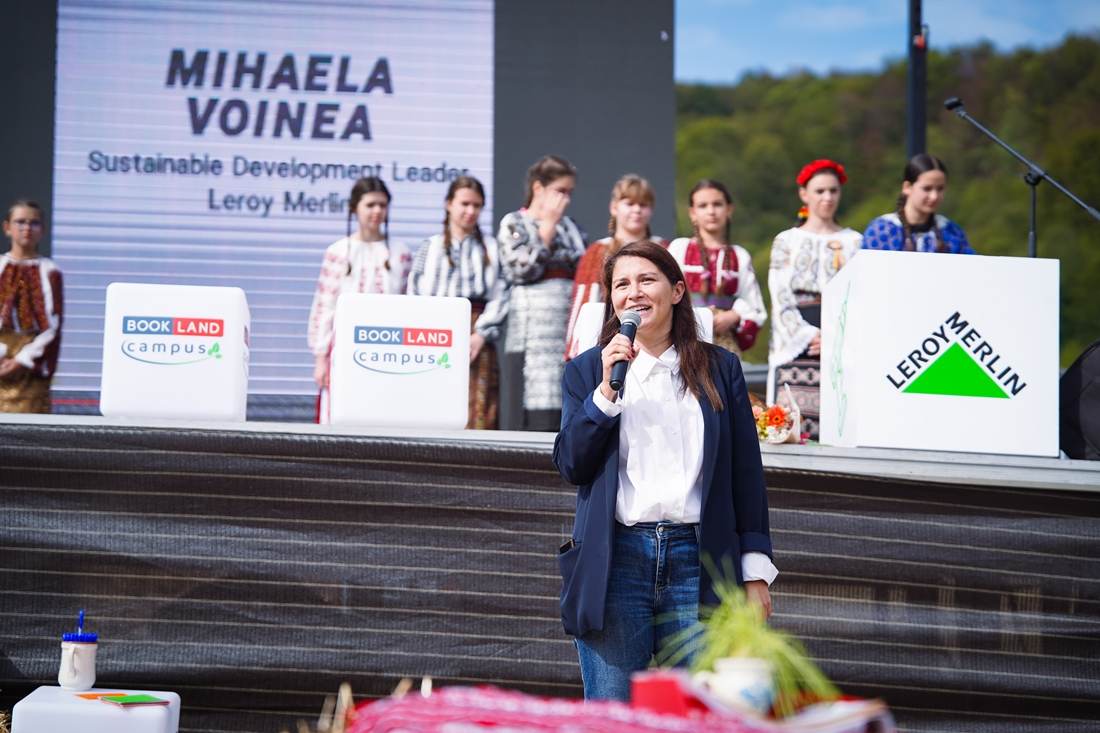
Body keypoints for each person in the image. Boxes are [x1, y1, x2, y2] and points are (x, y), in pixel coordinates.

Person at [553, 240, 776, 701]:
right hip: (617, 562)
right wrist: (605, 394)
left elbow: (746, 478)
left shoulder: (721, 369)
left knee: (698, 715)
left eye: (646, 280)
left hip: (700, 560)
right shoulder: (587, 371)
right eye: (621, 284)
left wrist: (755, 573)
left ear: (676, 290)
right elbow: (572, 463)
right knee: (613, 720)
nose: (633, 293)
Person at [768, 159, 862, 440]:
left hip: (839, 333)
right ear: (804, 194)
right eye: (820, 191)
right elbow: (779, 292)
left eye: (833, 191)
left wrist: (835, 336)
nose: (828, 197)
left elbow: (858, 295)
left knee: (839, 421)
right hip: (797, 341)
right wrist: (807, 335)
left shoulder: (854, 241)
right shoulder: (786, 240)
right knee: (792, 426)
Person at [307, 176, 411, 423]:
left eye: (382, 205)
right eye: (370, 205)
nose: (377, 211)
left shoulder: (400, 252)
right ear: (355, 207)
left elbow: (407, 304)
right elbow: (324, 305)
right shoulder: (338, 251)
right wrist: (320, 357)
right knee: (340, 414)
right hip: (343, 348)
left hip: (388, 349)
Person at [408, 176, 506, 429]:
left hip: (477, 332)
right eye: (464, 203)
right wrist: (429, 332)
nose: (470, 211)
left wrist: (480, 334)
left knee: (478, 406)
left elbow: (501, 293)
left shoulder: (491, 248)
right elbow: (415, 292)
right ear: (449, 204)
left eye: (477, 205)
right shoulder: (430, 247)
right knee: (433, 400)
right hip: (435, 332)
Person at [497, 155, 587, 431]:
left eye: (569, 193)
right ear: (539, 189)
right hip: (529, 335)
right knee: (527, 409)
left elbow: (582, 267)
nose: (566, 199)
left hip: (562, 334)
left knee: (562, 407)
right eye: (560, 191)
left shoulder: (571, 227)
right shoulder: (514, 222)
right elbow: (521, 270)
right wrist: (546, 226)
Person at [564, 174, 665, 361]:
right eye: (629, 203)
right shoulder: (597, 252)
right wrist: (577, 351)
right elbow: (583, 306)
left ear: (651, 210)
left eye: (643, 205)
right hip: (605, 341)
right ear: (614, 207)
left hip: (655, 342)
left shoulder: (663, 249)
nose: (637, 210)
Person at [667, 180, 767, 355]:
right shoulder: (679, 249)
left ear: (729, 210)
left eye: (717, 204)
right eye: (703, 206)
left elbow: (754, 305)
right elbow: (665, 293)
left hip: (724, 343)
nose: (711, 211)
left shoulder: (739, 255)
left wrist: (734, 315)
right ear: (692, 213)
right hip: (685, 339)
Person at [0, 200, 63, 414]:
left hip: (31, 365)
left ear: (42, 230)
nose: (26, 228)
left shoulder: (49, 271)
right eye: (20, 222)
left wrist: (21, 360)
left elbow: (53, 325)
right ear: (7, 227)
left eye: (33, 223)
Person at [862, 153, 975, 254]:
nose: (934, 196)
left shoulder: (951, 232)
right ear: (907, 187)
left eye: (940, 189)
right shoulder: (882, 231)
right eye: (927, 188)